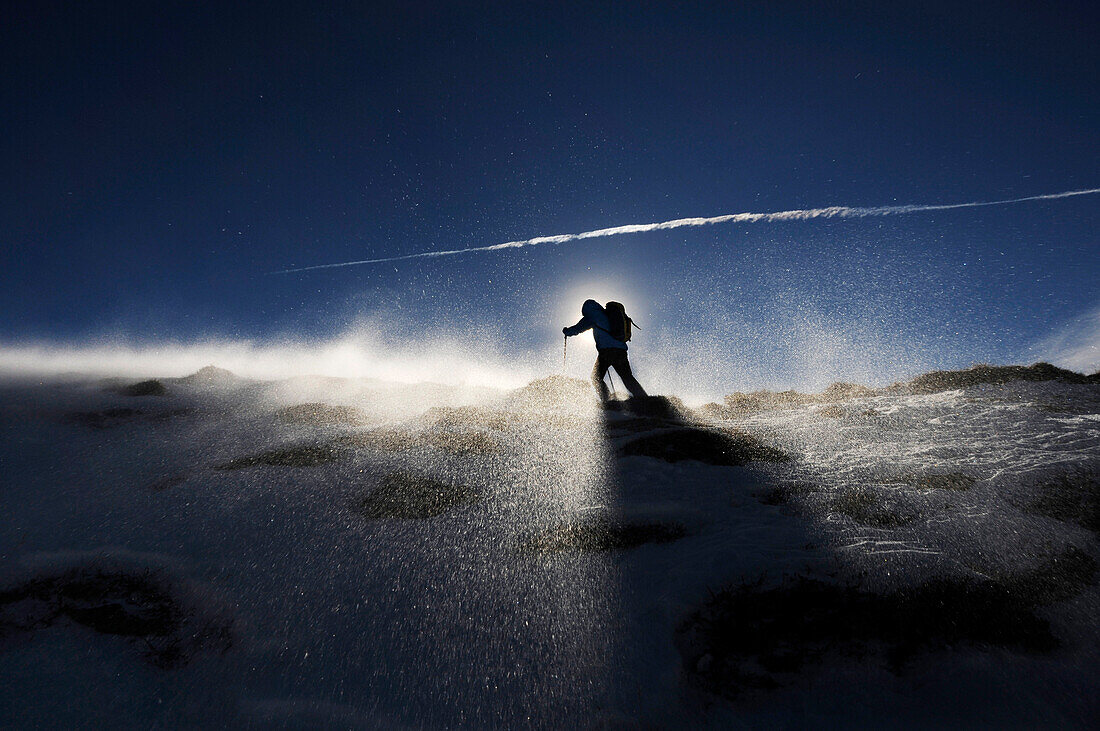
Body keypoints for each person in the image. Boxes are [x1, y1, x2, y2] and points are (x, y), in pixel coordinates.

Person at [563, 299, 648, 402]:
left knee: (596, 378)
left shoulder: (592, 315)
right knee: (627, 377)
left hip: (607, 352)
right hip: (621, 350)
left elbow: (577, 329)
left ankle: (606, 401)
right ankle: (644, 399)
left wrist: (567, 331)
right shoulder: (606, 314)